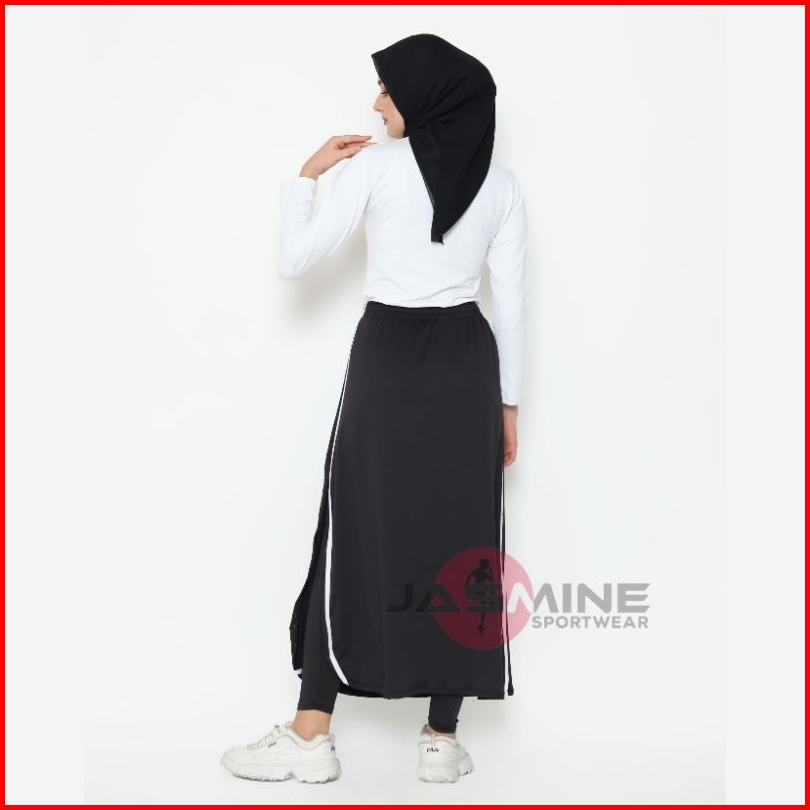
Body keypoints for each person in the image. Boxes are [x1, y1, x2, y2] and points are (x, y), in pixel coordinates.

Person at [221, 33, 527, 785]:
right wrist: (508, 405)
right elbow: (513, 304)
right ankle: (441, 738)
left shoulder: (375, 167)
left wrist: (306, 177)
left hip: (389, 357)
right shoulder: (501, 183)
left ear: (424, 95)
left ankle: (310, 734)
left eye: (386, 88)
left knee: (351, 530)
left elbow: (295, 260)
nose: (375, 102)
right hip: (467, 365)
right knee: (462, 543)